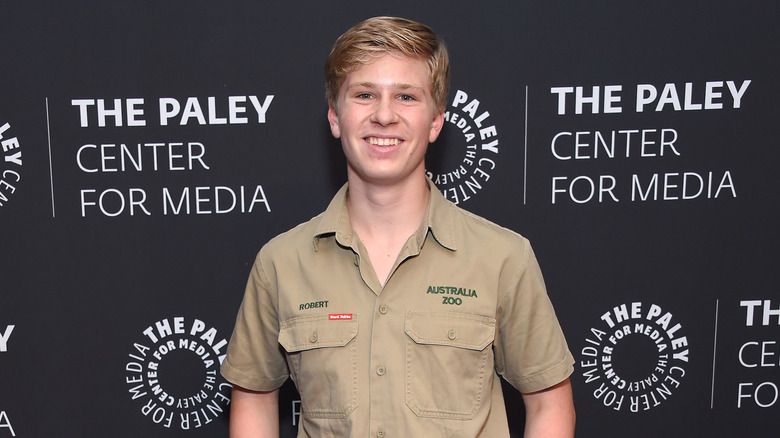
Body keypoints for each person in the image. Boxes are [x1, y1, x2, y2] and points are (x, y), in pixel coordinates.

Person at [221, 16, 575, 437]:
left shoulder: (502, 258)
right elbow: (255, 398)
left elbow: (549, 404)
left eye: (406, 97)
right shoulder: (280, 262)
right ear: (335, 118)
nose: (384, 115)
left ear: (436, 121)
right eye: (365, 94)